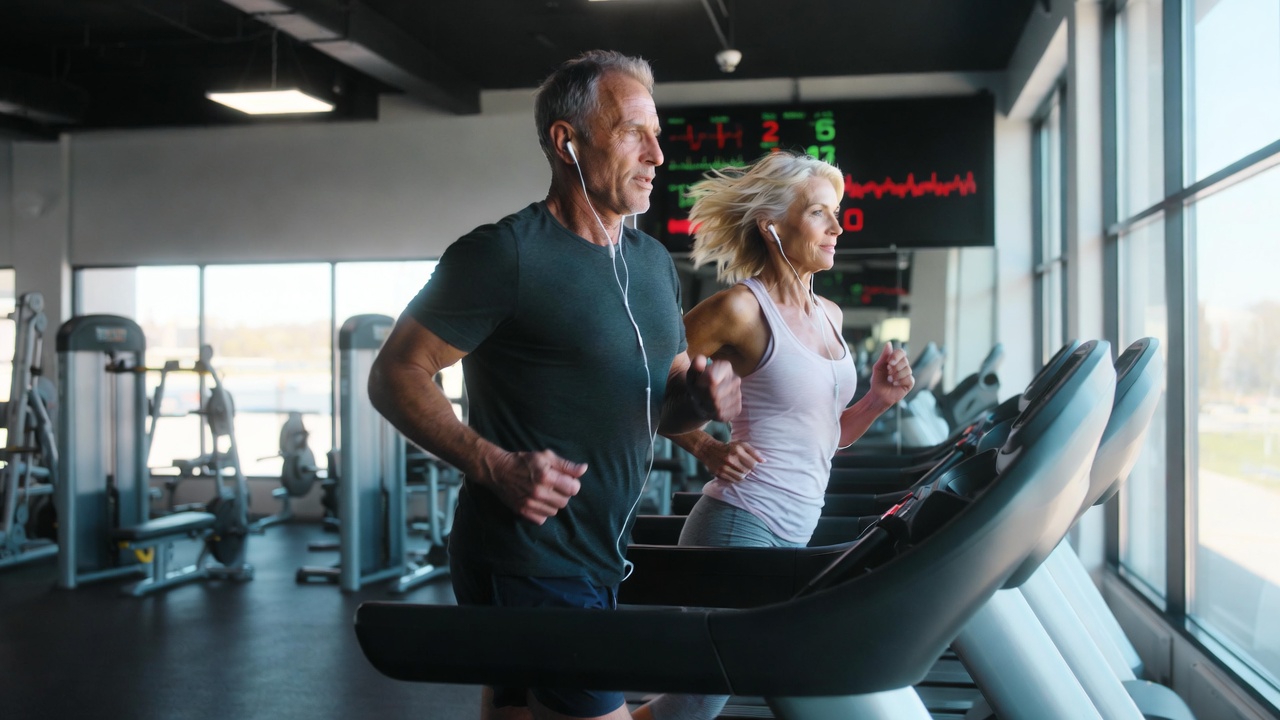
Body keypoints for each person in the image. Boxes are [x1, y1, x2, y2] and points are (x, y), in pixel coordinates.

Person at [367, 50, 741, 720]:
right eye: (634, 132)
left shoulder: (653, 263)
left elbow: (657, 401)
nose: (658, 154)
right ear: (567, 142)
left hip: (599, 553)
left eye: (658, 134)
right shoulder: (505, 254)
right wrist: (495, 464)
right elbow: (395, 372)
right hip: (528, 556)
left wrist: (699, 402)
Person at [641, 150, 915, 720]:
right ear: (772, 226)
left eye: (836, 214)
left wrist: (878, 400)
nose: (838, 228)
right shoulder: (741, 309)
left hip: (792, 529)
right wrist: (708, 446)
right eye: (819, 214)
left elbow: (828, 437)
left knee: (695, 701)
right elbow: (642, 387)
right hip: (739, 521)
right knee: (696, 700)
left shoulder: (831, 315)